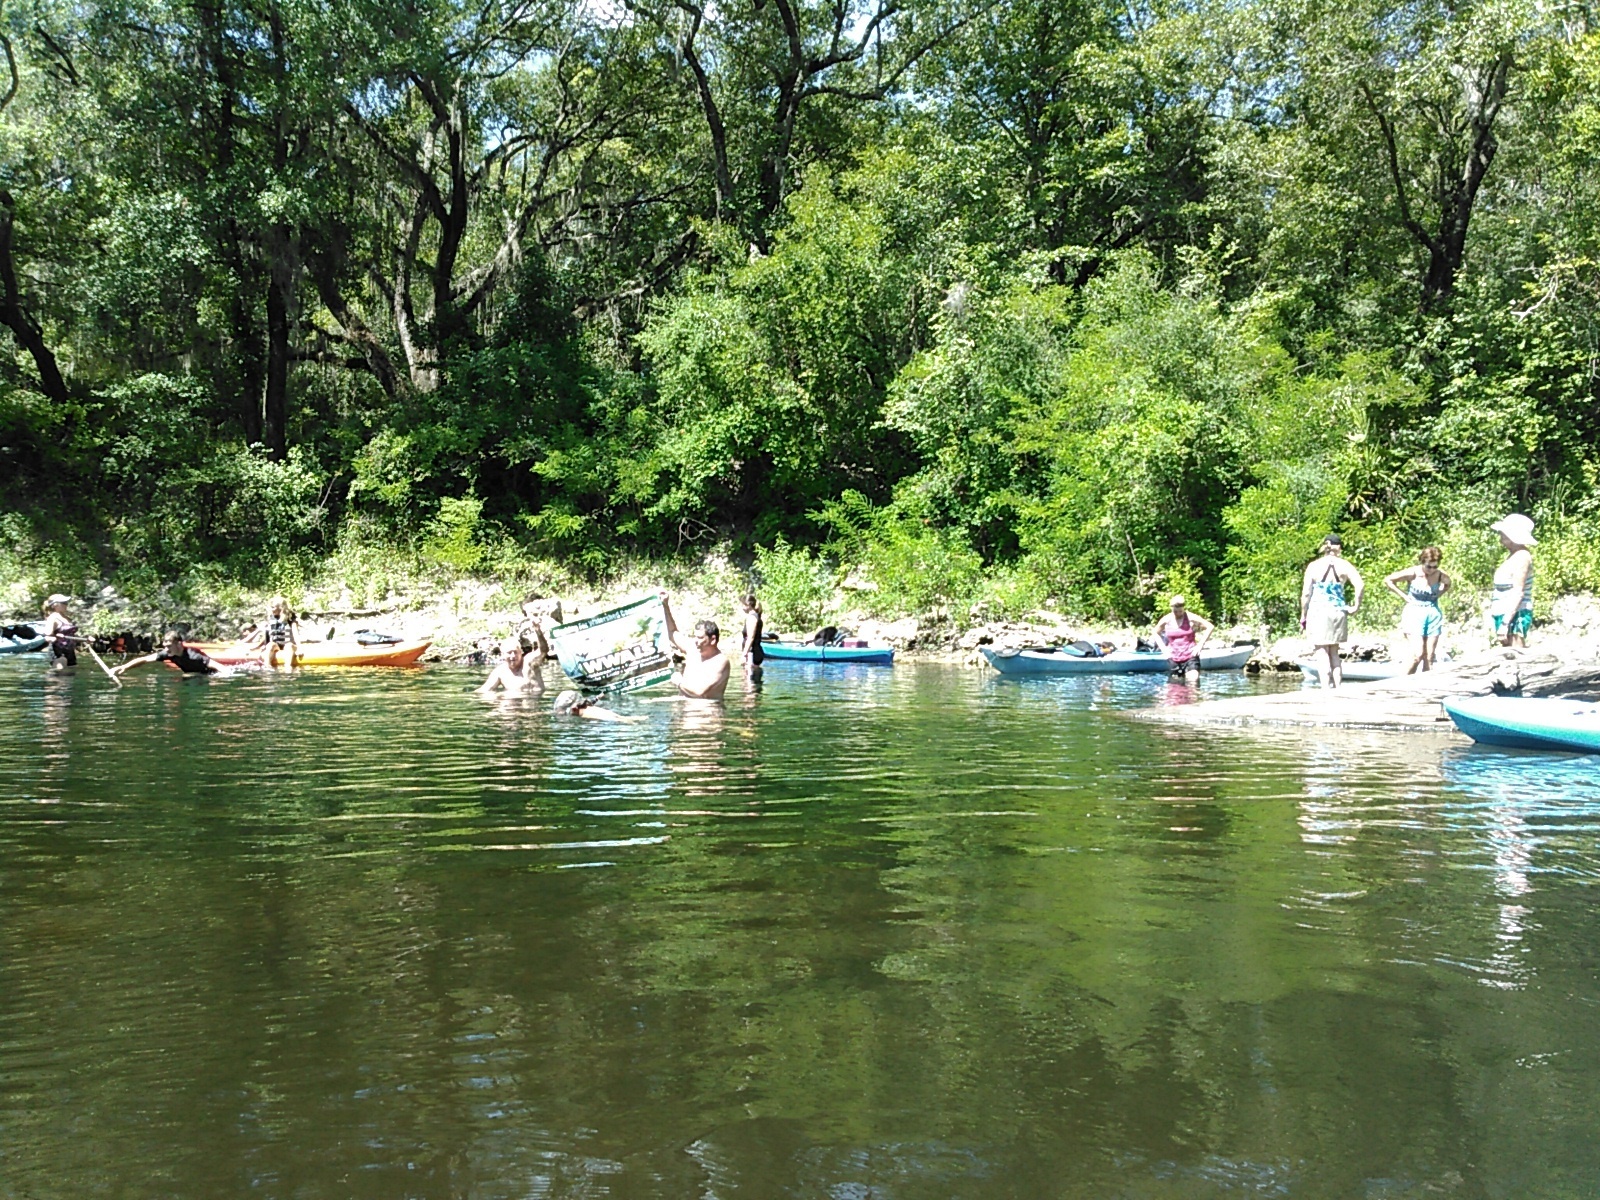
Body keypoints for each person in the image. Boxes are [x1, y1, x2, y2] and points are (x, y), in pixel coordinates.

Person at [1299, 534, 1364, 690]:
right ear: (1339, 548)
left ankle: (1325, 689)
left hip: (1318, 612)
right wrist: (1356, 605)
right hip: (1338, 611)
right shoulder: (1345, 565)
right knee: (1334, 652)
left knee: (1321, 652)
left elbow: (1306, 594)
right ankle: (1338, 687)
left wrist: (1303, 616)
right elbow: (1360, 585)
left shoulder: (1314, 566)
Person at [1384, 546, 1451, 672]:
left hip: (1432, 613)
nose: (1431, 570)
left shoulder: (1440, 575)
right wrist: (1404, 596)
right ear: (1422, 562)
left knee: (1429, 657)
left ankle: (1426, 688)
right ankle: (1405, 684)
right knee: (1417, 654)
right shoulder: (1413, 572)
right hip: (1414, 612)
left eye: (1435, 567)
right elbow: (1389, 580)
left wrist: (1439, 593)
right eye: (1428, 567)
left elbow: (1448, 584)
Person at [662, 594, 730, 700]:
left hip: (707, 709)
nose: (696, 641)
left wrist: (679, 682)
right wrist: (665, 605)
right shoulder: (692, 648)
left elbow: (700, 692)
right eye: (695, 637)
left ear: (713, 640)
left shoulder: (720, 661)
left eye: (700, 638)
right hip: (685, 703)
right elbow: (672, 633)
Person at [1490, 514, 1536, 647]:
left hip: (1516, 614)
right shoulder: (1514, 555)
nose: (1501, 538)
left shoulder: (1522, 557)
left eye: (1503, 535)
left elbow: (1518, 592)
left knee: (1516, 653)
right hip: (1504, 611)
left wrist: (1506, 622)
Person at [1152, 595, 1214, 683]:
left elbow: (1210, 627)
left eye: (1180, 611)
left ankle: (1194, 696)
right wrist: (1164, 649)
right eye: (1175, 611)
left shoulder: (1190, 617)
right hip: (1173, 657)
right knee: (1175, 684)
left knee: (1193, 679)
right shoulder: (1167, 619)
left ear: (1183, 608)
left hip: (1190, 655)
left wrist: (1200, 645)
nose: (1178, 613)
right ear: (1172, 608)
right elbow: (1155, 632)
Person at [113, 631, 220, 677]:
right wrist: (124, 667)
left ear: (178, 644)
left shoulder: (194, 656)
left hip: (208, 677)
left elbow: (220, 667)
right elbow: (144, 659)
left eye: (169, 646)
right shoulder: (168, 654)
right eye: (165, 646)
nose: (166, 649)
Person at [477, 631, 546, 694]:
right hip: (511, 705)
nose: (513, 656)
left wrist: (538, 631)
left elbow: (543, 651)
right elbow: (485, 690)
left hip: (534, 703)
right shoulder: (500, 671)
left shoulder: (529, 662)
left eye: (515, 652)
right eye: (509, 653)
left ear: (521, 652)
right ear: (503, 654)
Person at [247, 596, 299, 667]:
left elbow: (296, 634)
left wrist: (300, 648)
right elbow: (267, 634)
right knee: (270, 645)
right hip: (277, 644)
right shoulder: (271, 618)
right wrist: (258, 646)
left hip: (289, 644)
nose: (271, 609)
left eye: (273, 607)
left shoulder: (290, 618)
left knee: (288, 646)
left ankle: (288, 667)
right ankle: (267, 667)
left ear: (281, 607)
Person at [40, 594, 78, 671]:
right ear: (54, 605)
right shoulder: (52, 618)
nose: (66, 605)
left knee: (70, 676)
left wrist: (86, 639)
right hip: (58, 651)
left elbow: (72, 635)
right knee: (59, 676)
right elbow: (47, 636)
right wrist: (54, 637)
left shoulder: (67, 618)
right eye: (63, 603)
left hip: (70, 651)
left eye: (66, 603)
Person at [551, 689, 639, 722]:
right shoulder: (589, 707)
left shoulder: (588, 713)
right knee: (624, 718)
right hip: (611, 715)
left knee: (623, 719)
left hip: (609, 720)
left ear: (573, 709)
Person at [739, 594, 764, 673]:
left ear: (748, 605)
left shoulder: (751, 618)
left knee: (748, 682)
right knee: (751, 680)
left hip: (751, 653)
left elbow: (750, 638)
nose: (741, 607)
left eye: (742, 605)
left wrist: (744, 654)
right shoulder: (756, 616)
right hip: (754, 652)